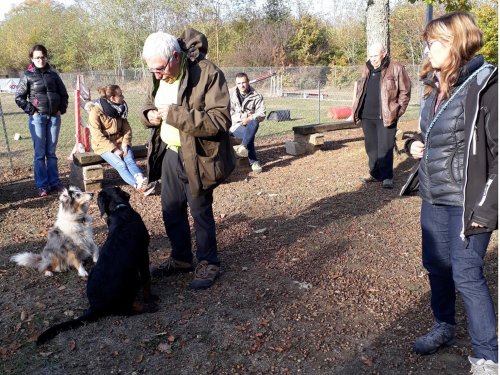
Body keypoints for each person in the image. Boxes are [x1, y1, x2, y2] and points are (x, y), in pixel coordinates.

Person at [404, 12, 497, 375]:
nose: (429, 47)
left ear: (458, 42)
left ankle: (488, 356)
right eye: (429, 41)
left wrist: (486, 206)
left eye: (437, 41)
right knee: (437, 268)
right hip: (434, 194)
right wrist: (415, 144)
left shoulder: (487, 84)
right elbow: (431, 134)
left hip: (467, 201)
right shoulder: (435, 84)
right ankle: (444, 324)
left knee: (467, 274)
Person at [140, 29, 235, 290]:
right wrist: (148, 115)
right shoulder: (158, 75)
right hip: (170, 152)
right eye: (152, 71)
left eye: (159, 69)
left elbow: (220, 120)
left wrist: (175, 114)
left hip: (198, 154)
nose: (156, 75)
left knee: (200, 211)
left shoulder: (207, 73)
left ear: (174, 57)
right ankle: (181, 259)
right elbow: (148, 104)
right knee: (171, 210)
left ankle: (209, 263)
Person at [352, 42, 411, 189]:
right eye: (370, 56)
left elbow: (405, 91)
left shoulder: (396, 68)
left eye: (375, 55)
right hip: (367, 115)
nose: (372, 59)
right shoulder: (367, 68)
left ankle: (387, 176)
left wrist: (398, 110)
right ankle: (374, 173)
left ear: (383, 54)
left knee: (385, 147)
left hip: (386, 115)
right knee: (371, 147)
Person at [15, 44, 69, 197]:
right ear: (32, 58)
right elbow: (19, 98)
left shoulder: (53, 75)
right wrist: (32, 111)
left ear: (46, 57)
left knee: (51, 152)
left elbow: (64, 94)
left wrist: (61, 109)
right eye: (37, 57)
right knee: (40, 153)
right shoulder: (27, 75)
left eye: (43, 57)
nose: (40, 60)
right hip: (38, 119)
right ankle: (42, 185)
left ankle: (55, 182)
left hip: (54, 118)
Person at [86, 85, 147, 192]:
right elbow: (97, 136)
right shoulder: (95, 112)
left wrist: (125, 144)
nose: (123, 97)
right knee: (121, 164)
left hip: (120, 142)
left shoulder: (121, 109)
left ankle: (140, 179)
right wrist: (114, 149)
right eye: (120, 95)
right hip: (103, 146)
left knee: (129, 159)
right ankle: (137, 185)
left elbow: (127, 130)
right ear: (112, 98)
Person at [229, 72, 266, 173]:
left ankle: (243, 147)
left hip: (248, 126)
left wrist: (249, 119)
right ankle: (253, 161)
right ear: (236, 84)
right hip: (233, 127)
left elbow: (262, 113)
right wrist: (242, 118)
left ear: (248, 82)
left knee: (254, 122)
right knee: (250, 135)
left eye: (244, 82)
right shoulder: (230, 94)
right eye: (239, 83)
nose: (242, 85)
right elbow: (227, 112)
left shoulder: (257, 96)